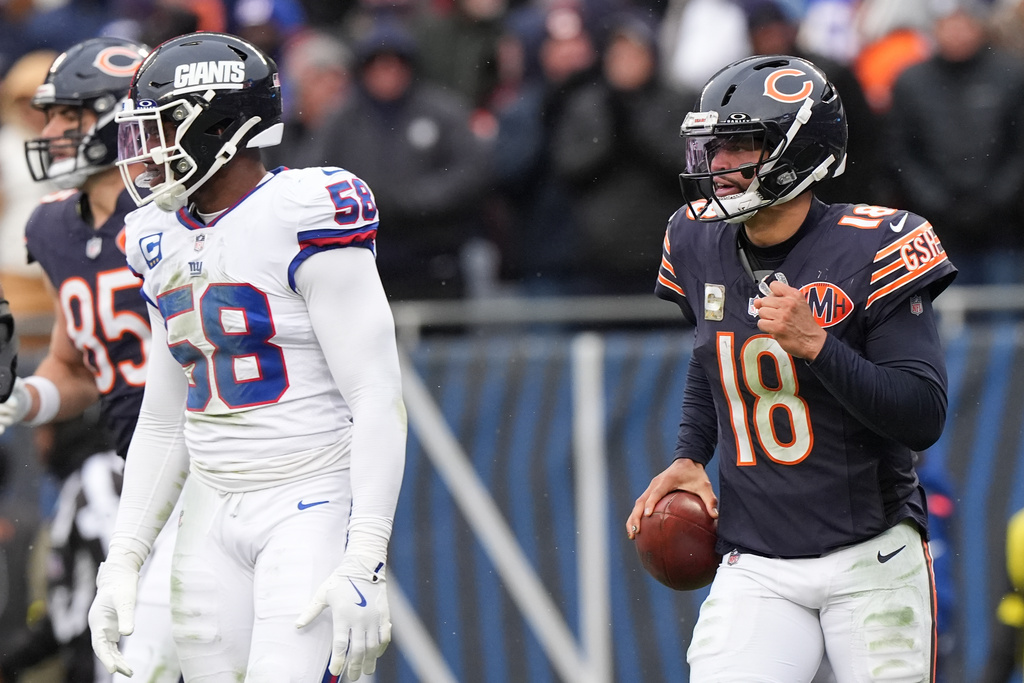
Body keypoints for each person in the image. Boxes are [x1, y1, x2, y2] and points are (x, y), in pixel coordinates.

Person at [86, 32, 407, 682]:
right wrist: (123, 556)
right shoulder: (154, 235)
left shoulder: (304, 211)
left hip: (309, 498)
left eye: (164, 126)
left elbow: (375, 395)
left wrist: (365, 552)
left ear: (221, 126)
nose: (147, 151)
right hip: (210, 510)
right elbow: (164, 416)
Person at [625, 54, 957, 682]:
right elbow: (711, 351)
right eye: (712, 146)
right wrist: (692, 453)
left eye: (739, 145)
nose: (718, 164)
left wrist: (819, 347)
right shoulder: (693, 236)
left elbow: (921, 416)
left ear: (798, 150)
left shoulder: (877, 244)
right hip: (757, 561)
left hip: (871, 556)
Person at [0, 36, 183, 682]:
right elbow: (76, 367)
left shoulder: (183, 211)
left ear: (116, 118)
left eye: (66, 116)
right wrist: (19, 398)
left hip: (221, 467)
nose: (46, 131)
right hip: (139, 475)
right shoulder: (54, 229)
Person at [0, 409, 121, 683]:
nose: (37, 443)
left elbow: (118, 580)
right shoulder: (81, 483)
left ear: (64, 429)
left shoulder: (97, 481)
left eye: (42, 431)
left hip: (112, 664)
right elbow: (67, 611)